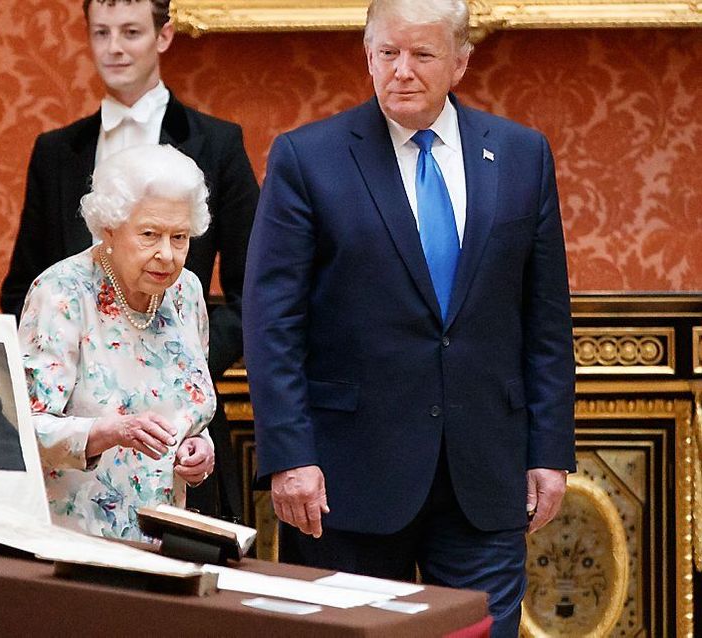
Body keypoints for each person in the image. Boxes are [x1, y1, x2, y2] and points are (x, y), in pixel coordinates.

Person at [242, 0, 576, 634]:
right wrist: (289, 454)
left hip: (485, 474)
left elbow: (545, 320)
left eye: (422, 55)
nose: (401, 71)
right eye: (387, 53)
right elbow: (271, 323)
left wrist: (549, 450)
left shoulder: (522, 155)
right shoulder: (307, 159)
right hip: (344, 482)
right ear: (368, 56)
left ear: (460, 62)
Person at [0, 0, 257, 520]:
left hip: (177, 458)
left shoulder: (218, 142)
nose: (114, 48)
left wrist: (180, 368)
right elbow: (21, 283)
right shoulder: (55, 150)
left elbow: (255, 289)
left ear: (163, 37)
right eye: (102, 33)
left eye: (131, 32)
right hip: (80, 472)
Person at [18, 144, 216, 541]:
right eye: (149, 234)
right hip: (77, 540)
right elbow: (24, 429)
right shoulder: (62, 293)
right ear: (109, 228)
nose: (167, 254)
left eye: (179, 237)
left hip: (163, 535)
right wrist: (109, 432)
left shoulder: (187, 293)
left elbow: (189, 405)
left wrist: (199, 447)